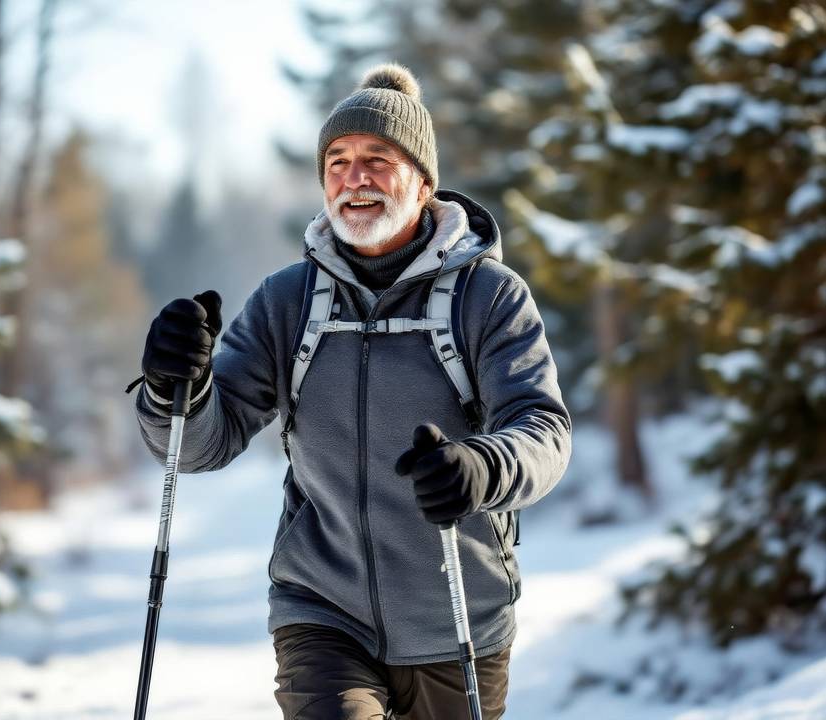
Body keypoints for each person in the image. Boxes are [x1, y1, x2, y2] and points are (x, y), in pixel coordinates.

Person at [133, 63, 571, 720]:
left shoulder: (489, 296)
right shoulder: (288, 301)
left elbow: (543, 429)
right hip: (321, 610)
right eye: (336, 162)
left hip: (456, 615)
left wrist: (481, 467)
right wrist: (178, 386)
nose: (353, 177)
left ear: (423, 183)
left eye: (376, 159)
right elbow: (200, 445)